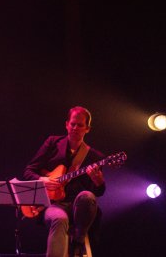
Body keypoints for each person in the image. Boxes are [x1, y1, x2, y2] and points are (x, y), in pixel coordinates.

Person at [22, 106, 106, 257]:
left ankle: (79, 240)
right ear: (66, 124)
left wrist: (99, 181)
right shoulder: (53, 143)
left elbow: (99, 192)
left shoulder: (95, 157)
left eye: (80, 125)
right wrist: (44, 180)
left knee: (87, 195)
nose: (75, 128)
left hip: (79, 208)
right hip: (53, 205)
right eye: (72, 124)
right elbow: (29, 171)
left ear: (87, 129)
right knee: (59, 219)